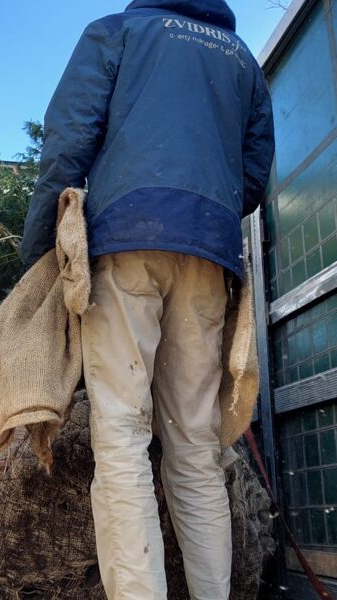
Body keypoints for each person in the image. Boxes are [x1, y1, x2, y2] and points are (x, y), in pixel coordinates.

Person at [21, 1, 274, 598]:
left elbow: (68, 142)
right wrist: (200, 217)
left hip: (124, 240)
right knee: (196, 446)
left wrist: (37, 254)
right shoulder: (241, 58)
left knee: (121, 435)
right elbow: (254, 175)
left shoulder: (118, 31)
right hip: (208, 252)